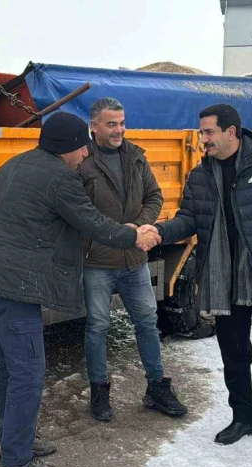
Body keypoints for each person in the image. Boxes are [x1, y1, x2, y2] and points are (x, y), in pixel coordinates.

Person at [0, 111, 161, 467]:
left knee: (11, 369)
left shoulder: (12, 166)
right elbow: (92, 223)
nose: (85, 154)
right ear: (68, 147)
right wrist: (134, 236)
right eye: (82, 147)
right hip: (15, 287)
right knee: (27, 372)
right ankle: (16, 462)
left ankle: (16, 440)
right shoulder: (61, 177)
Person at [141, 104, 252, 455]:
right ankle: (243, 417)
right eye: (202, 132)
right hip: (223, 277)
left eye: (208, 132)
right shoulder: (201, 175)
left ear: (231, 132)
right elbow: (189, 219)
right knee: (233, 352)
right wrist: (158, 231)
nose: (203, 139)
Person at [77, 98, 187, 422]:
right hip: (97, 260)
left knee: (147, 322)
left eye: (122, 123)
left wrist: (138, 228)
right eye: (111, 124)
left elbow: (154, 197)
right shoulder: (82, 162)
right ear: (94, 126)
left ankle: (157, 387)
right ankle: (99, 391)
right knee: (98, 326)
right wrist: (121, 233)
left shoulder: (136, 156)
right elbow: (81, 212)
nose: (119, 130)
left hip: (134, 258)